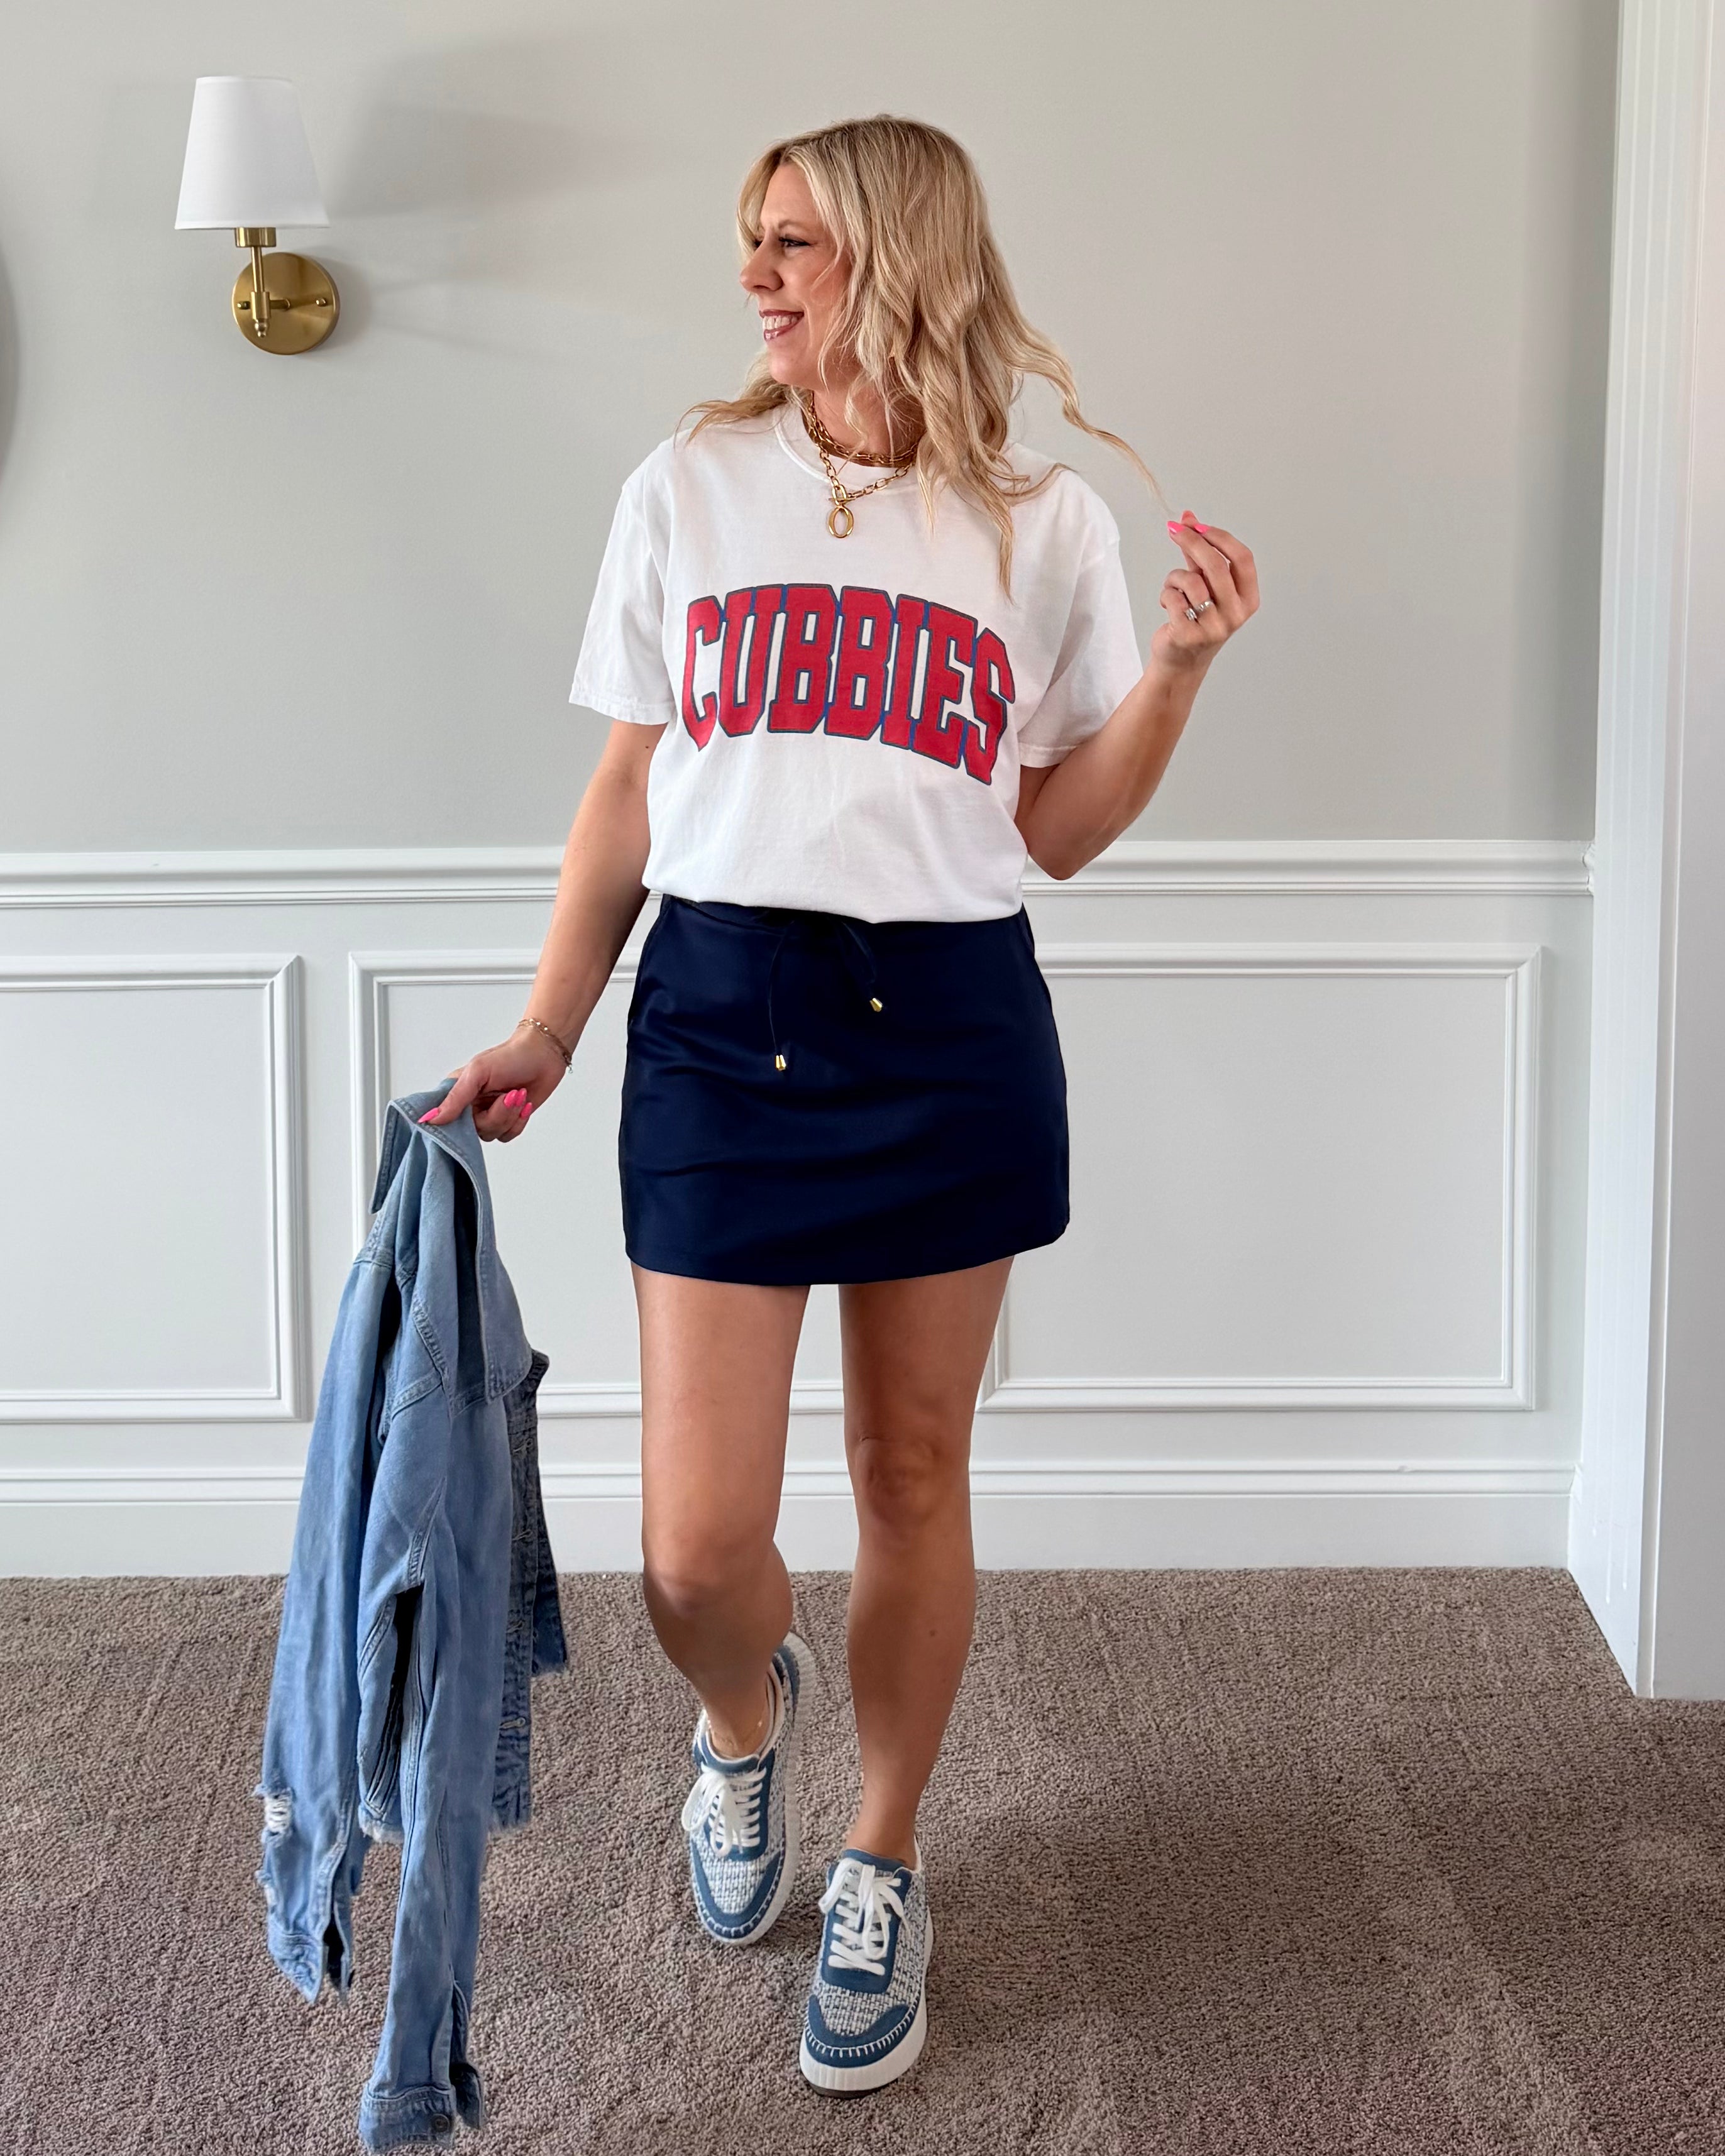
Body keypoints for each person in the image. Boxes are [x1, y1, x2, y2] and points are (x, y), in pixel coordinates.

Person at [425, 112, 1259, 2094]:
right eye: (756, 238)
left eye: (795, 240)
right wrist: (550, 1025)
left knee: (911, 1473)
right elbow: (627, 792)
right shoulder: (691, 485)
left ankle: (884, 1854)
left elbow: (1050, 831)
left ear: (901, 253)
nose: (757, 273)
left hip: (947, 1022)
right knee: (695, 1551)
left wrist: (1176, 674)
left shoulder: (1042, 525)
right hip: (723, 1018)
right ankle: (744, 1726)